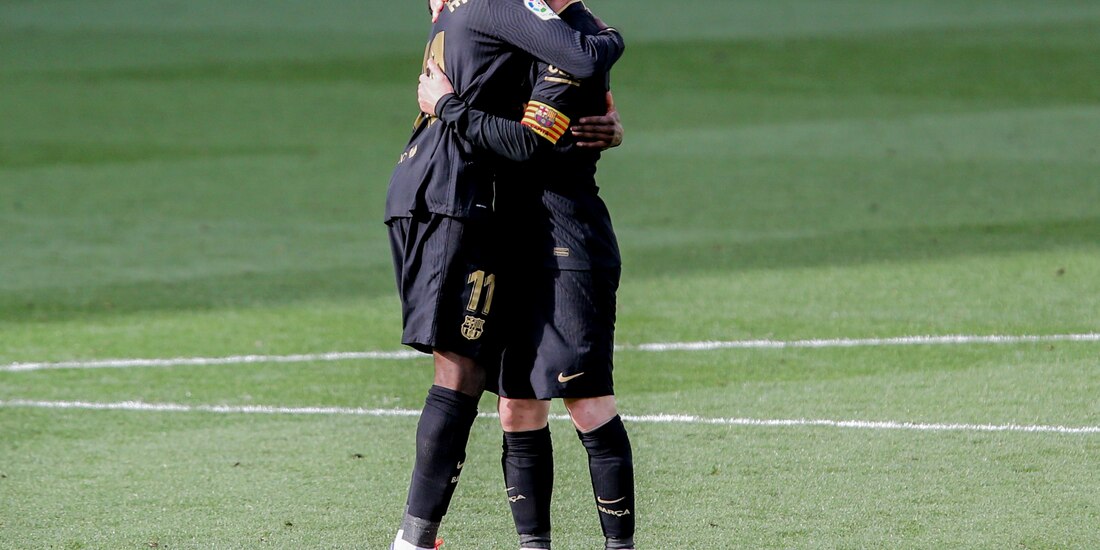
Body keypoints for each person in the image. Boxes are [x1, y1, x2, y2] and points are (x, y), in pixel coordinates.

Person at [384, 1, 625, 549]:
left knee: (486, 382)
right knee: (461, 371)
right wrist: (613, 41)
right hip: (449, 193)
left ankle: (418, 539)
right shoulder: (497, 4)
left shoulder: (467, 12)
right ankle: (413, 540)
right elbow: (582, 56)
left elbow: (558, 87)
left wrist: (601, 124)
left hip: (454, 194)